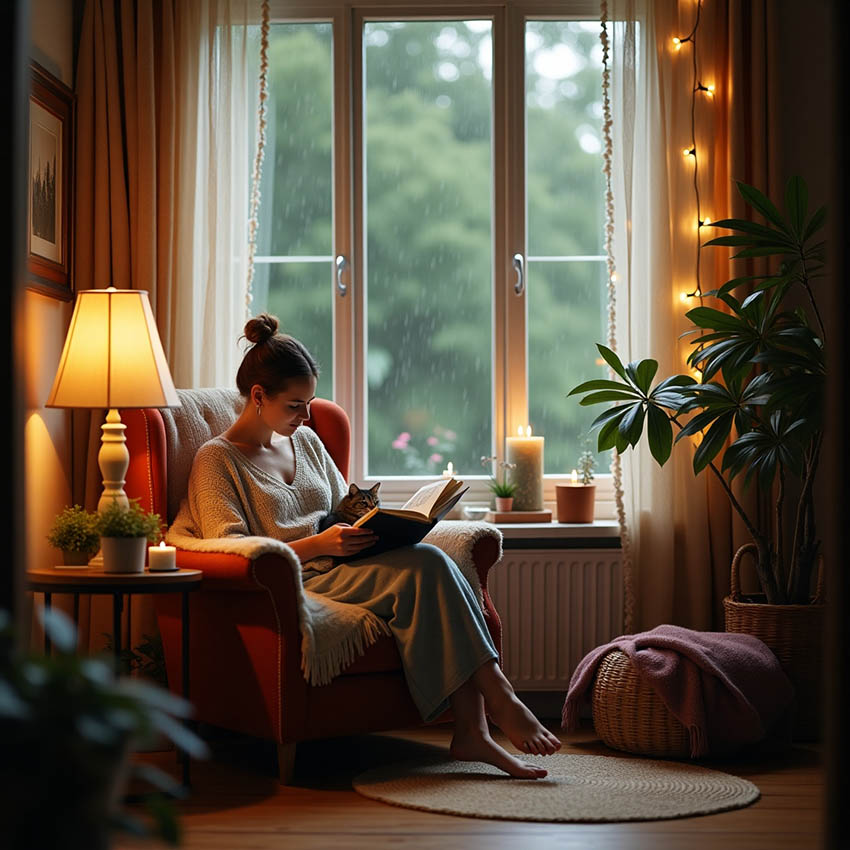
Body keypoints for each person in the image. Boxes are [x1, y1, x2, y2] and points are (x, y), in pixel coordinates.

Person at [175, 313, 561, 778]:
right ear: (258, 396)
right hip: (300, 578)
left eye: (310, 403)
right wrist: (319, 544)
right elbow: (234, 551)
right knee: (430, 567)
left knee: (432, 560)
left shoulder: (309, 443)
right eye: (295, 405)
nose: (307, 417)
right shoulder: (217, 460)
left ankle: (475, 729)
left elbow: (346, 507)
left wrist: (387, 525)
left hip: (348, 563)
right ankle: (493, 708)